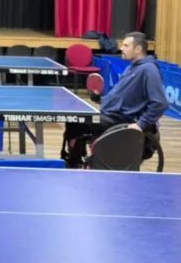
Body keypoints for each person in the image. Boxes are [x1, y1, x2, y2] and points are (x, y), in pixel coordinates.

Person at [61, 32, 166, 167]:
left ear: (138, 49)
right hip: (111, 115)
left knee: (78, 119)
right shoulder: (132, 67)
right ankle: (75, 159)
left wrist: (140, 124)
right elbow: (122, 97)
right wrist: (100, 98)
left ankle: (75, 163)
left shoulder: (149, 70)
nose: (121, 48)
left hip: (122, 121)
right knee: (74, 118)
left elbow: (160, 103)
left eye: (126, 45)